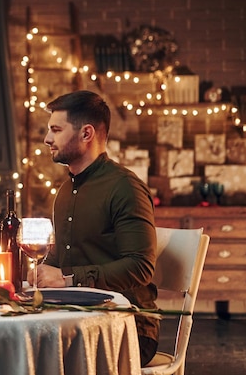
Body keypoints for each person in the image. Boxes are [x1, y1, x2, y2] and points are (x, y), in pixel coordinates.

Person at [36, 90, 159, 366]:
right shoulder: (66, 190)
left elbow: (141, 267)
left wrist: (66, 278)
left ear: (86, 133)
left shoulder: (125, 188)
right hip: (77, 320)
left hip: (128, 329)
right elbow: (59, 260)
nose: (47, 139)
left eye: (56, 129)